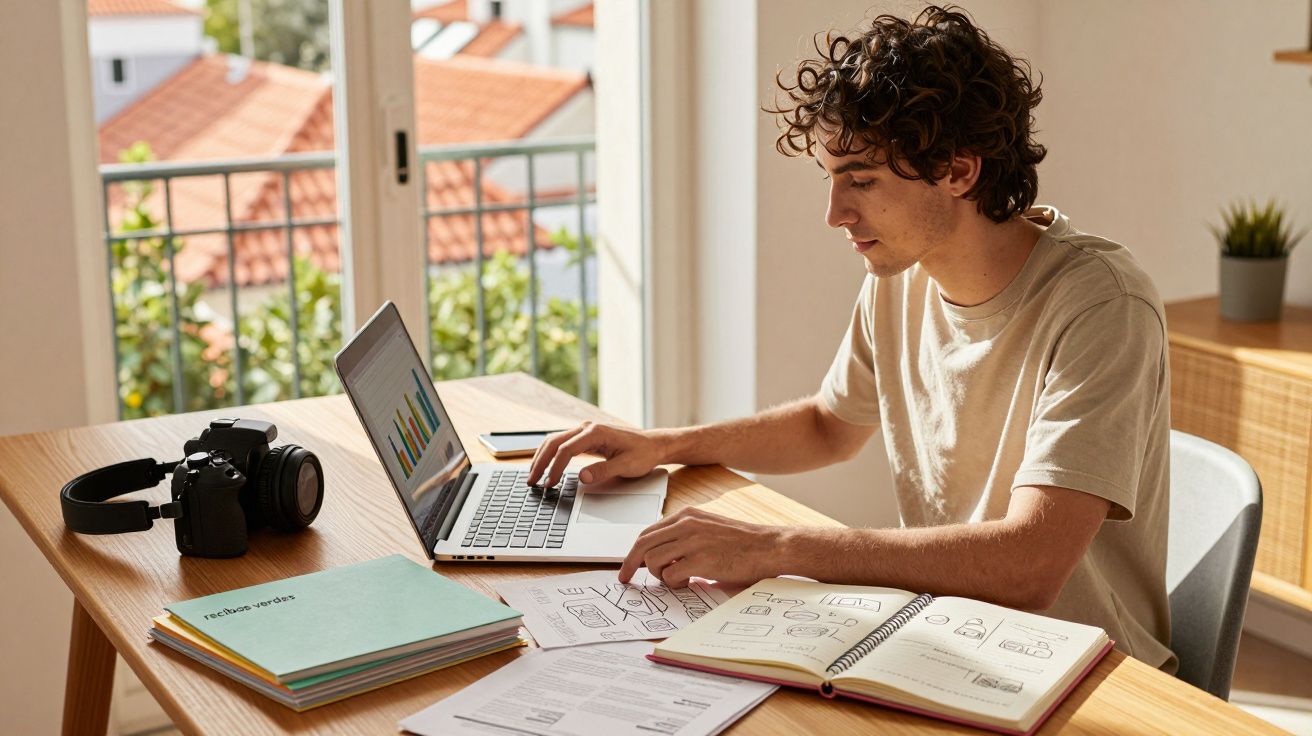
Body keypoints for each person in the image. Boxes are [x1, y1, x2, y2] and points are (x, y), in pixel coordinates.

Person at [528, 5, 1174, 671]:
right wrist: (663, 445)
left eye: (861, 181)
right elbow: (827, 426)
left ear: (959, 171)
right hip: (946, 640)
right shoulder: (902, 275)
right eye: (831, 178)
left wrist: (775, 546)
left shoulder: (1101, 304)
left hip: (1081, 674)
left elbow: (1029, 565)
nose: (834, 214)